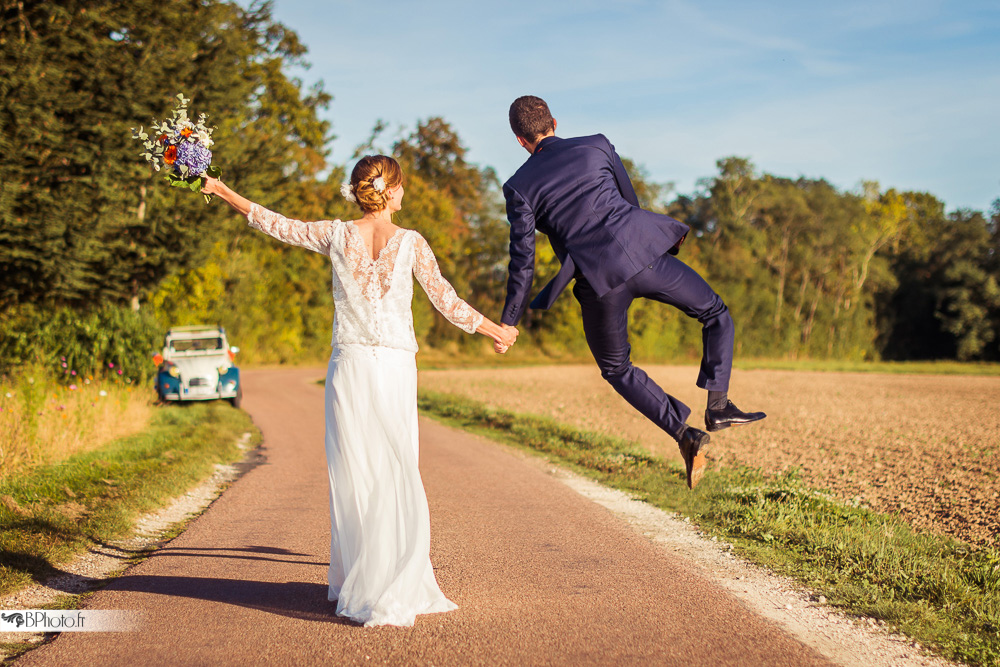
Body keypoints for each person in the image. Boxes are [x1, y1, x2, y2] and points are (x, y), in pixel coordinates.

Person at [201, 156, 518, 627]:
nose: (405, 194)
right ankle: (390, 577)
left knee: (355, 471)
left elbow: (277, 225)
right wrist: (495, 329)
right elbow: (446, 300)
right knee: (396, 467)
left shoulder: (336, 234)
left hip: (349, 365)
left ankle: (359, 578)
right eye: (403, 187)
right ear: (391, 191)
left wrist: (222, 189)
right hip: (393, 366)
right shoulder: (411, 243)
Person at [499, 95, 765, 490]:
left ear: (519, 140)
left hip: (597, 282)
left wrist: (509, 321)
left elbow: (523, 261)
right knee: (715, 312)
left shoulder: (518, 186)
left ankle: (684, 434)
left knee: (617, 369)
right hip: (644, 256)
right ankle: (719, 405)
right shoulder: (597, 144)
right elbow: (630, 202)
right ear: (554, 121)